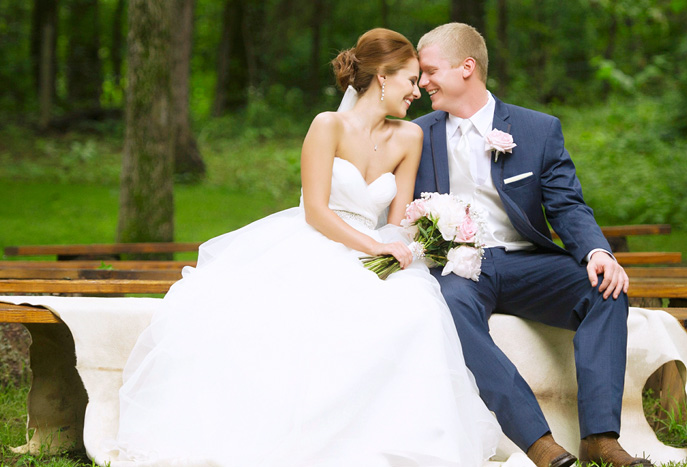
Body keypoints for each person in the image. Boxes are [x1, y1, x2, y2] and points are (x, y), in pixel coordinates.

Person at [108, 28, 501, 467]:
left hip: (378, 248)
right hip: (319, 241)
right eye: (410, 80)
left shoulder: (409, 137)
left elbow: (399, 219)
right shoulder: (327, 125)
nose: (417, 91)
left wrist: (403, 246)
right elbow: (315, 210)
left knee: (415, 313)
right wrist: (370, 244)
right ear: (383, 77)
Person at [412, 23, 652, 467]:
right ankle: (539, 441)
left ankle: (600, 437)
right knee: (448, 307)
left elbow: (567, 205)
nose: (422, 82)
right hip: (459, 269)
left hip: (528, 262)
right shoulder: (416, 135)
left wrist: (598, 252)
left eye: (429, 71)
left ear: (467, 68)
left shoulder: (537, 129)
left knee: (604, 288)